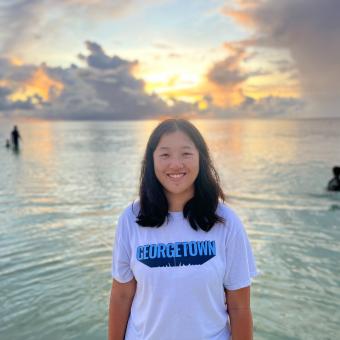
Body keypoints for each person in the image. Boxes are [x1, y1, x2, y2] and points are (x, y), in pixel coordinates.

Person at [108, 118, 258, 340]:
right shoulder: (131, 219)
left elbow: (239, 307)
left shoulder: (225, 221)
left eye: (186, 153)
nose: (176, 164)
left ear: (201, 158)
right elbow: (121, 296)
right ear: (151, 161)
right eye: (165, 154)